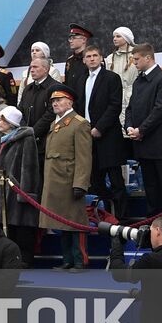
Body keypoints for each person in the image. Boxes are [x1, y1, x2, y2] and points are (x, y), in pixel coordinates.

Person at [41, 86, 93, 271]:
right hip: (56, 181)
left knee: (75, 222)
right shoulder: (56, 123)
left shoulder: (79, 123)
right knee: (61, 222)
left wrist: (80, 183)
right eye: (53, 101)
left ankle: (80, 260)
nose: (55, 103)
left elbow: (84, 157)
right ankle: (68, 260)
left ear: (70, 102)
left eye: (59, 100)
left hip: (70, 180)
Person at [126, 44, 162, 218]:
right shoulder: (139, 80)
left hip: (159, 144)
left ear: (148, 58)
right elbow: (130, 108)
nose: (134, 62)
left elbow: (160, 110)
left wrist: (141, 130)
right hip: (143, 143)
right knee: (150, 187)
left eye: (137, 59)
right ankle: (153, 220)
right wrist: (129, 126)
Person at [0, 106, 39, 263]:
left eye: (2, 119)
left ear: (11, 122)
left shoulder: (26, 139)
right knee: (5, 226)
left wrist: (26, 193)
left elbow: (29, 167)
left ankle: (24, 259)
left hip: (17, 191)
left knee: (21, 228)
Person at [80, 43, 126, 216]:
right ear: (84, 60)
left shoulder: (111, 78)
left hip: (108, 135)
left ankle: (121, 217)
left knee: (115, 180)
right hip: (87, 134)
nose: (92, 59)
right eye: (88, 56)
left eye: (95, 56)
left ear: (101, 58)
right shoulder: (82, 80)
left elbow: (115, 106)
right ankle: (104, 216)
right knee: (96, 180)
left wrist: (99, 127)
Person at [105, 27, 139, 127]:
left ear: (126, 38)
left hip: (134, 95)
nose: (114, 39)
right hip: (115, 97)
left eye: (118, 36)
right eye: (114, 36)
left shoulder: (136, 54)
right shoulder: (110, 58)